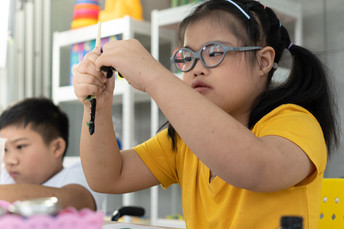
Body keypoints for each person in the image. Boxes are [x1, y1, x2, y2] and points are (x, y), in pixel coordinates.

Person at [73, 0, 339, 228]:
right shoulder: (182, 140)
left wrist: (153, 76)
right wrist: (99, 104)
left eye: (214, 52)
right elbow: (107, 176)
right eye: (187, 57)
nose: (196, 68)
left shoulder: (296, 121)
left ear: (263, 61)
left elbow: (253, 167)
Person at [0, 97, 105, 211]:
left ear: (57, 147)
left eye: (20, 146)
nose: (10, 161)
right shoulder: (5, 175)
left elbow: (75, 201)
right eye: (5, 150)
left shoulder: (82, 174)